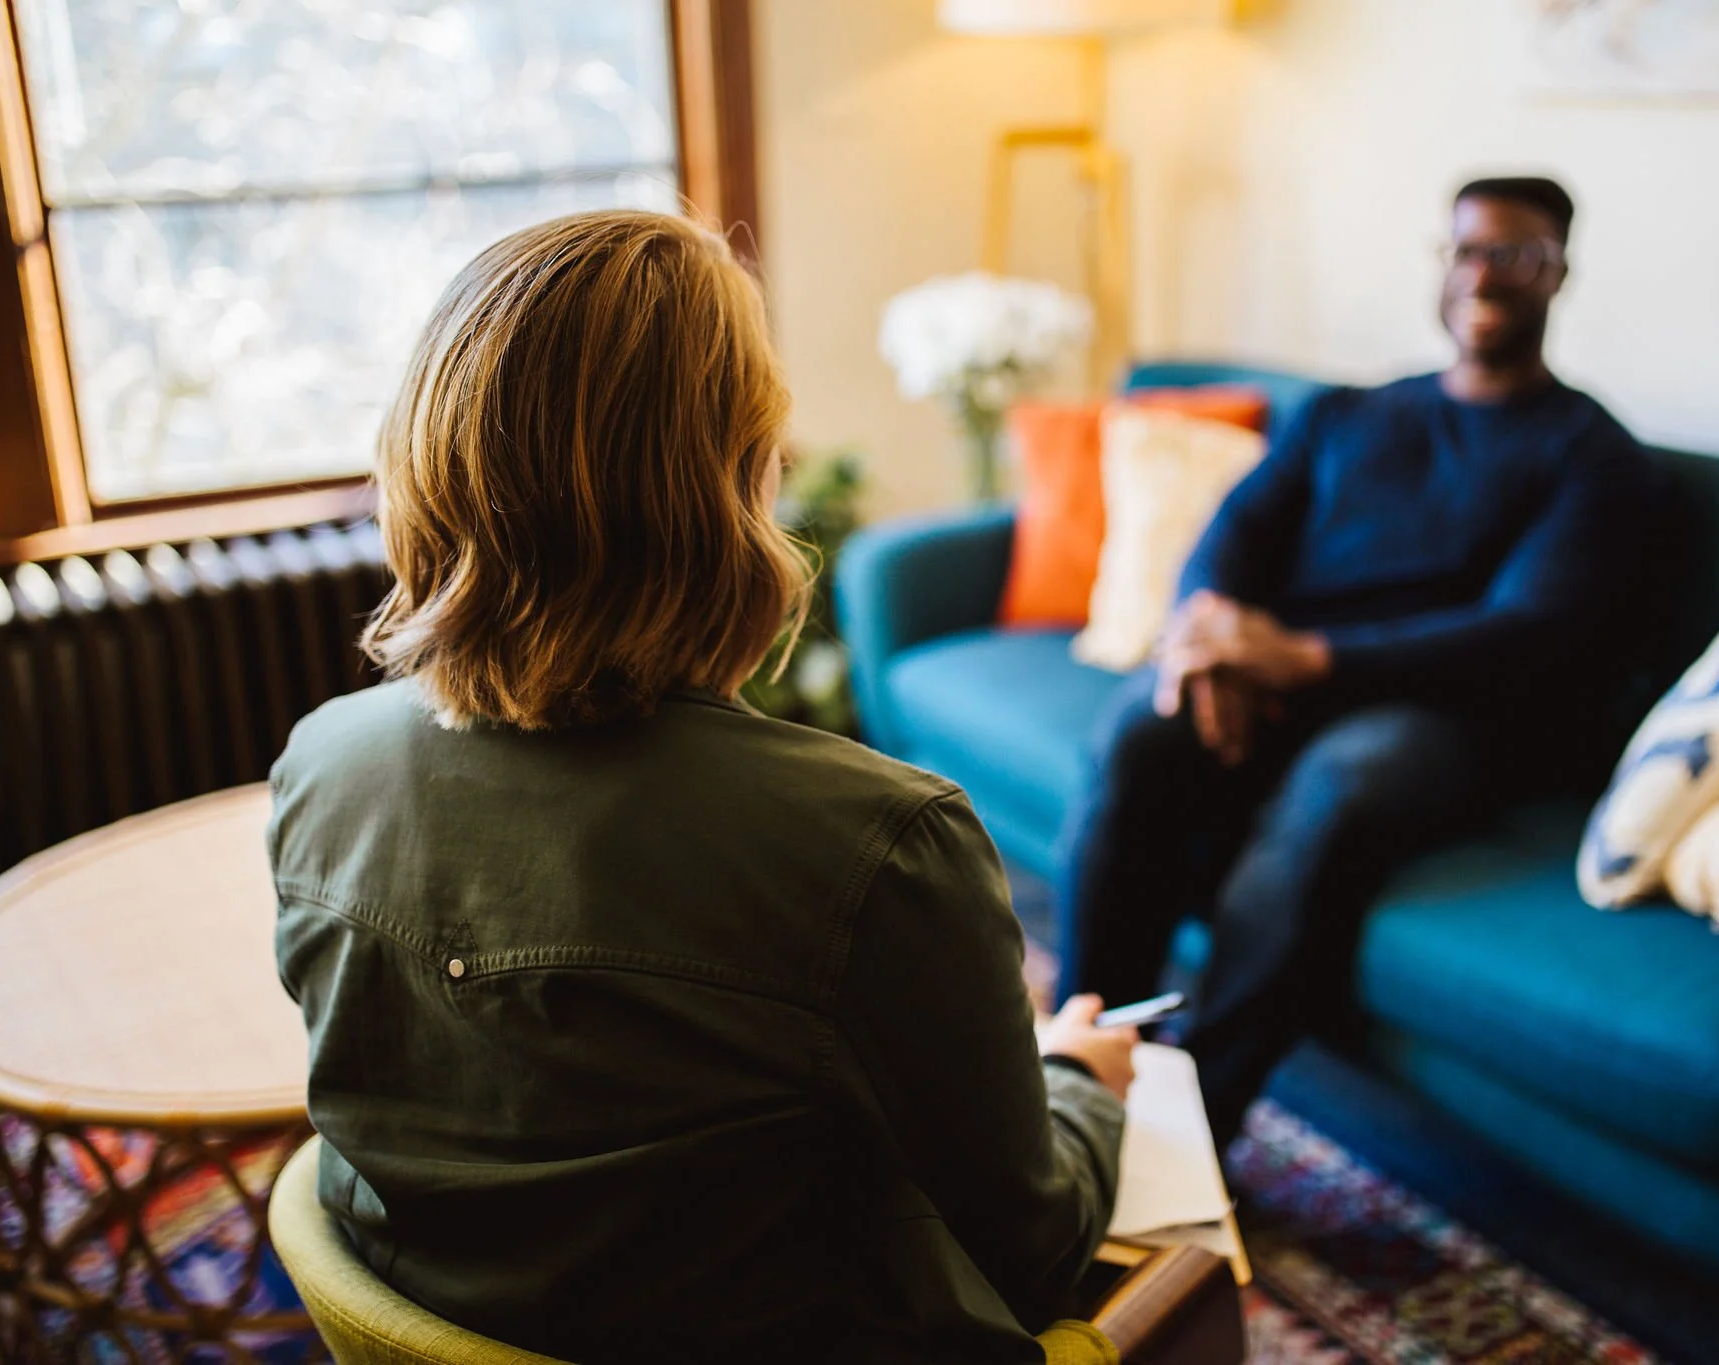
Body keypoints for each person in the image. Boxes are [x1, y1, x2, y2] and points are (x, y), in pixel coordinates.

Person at [270, 210, 1139, 1364]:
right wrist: (1080, 1086)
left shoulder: (320, 763)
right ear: (728, 481)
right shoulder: (878, 844)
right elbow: (1026, 1255)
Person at [1056, 176, 1657, 1148]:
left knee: (1340, 787)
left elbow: (1521, 635)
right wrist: (1206, 640)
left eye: (1514, 255)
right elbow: (1234, 530)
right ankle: (1080, 1056)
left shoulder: (1592, 458)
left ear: (1555, 275)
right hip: (1279, 674)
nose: (1484, 275)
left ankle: (1187, 1129)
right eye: (1466, 250)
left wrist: (1301, 658)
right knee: (1140, 728)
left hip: (1441, 710)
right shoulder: (1350, 412)